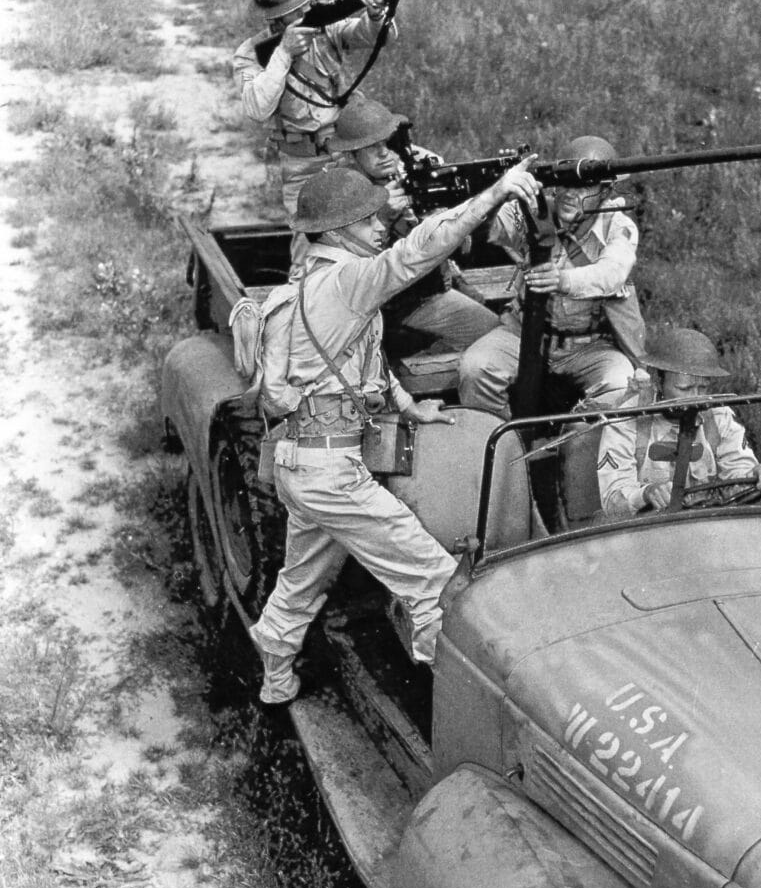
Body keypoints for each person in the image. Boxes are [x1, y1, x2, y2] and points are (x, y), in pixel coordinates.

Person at [248, 158, 540, 704]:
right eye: (366, 220)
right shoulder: (348, 282)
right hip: (333, 473)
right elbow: (420, 250)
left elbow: (363, 364)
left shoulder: (304, 283)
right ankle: (461, 708)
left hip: (300, 464)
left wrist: (408, 409)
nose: (380, 225)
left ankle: (275, 680)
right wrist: (493, 195)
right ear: (336, 231)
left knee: (300, 583)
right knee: (438, 583)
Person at [457, 134, 647, 417]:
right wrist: (497, 196)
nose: (570, 194)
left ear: (606, 191)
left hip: (590, 345)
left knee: (621, 387)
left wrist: (563, 281)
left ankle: (577, 443)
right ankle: (503, 445)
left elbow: (613, 273)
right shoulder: (533, 209)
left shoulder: (618, 226)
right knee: (475, 369)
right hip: (522, 332)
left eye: (584, 186)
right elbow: (488, 230)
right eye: (565, 184)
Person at [324, 100, 499, 349]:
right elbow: (352, 275)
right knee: (496, 337)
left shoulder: (406, 168)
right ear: (352, 153)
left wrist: (442, 219)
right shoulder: (340, 195)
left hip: (429, 285)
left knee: (496, 324)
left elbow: (461, 246)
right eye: (371, 147)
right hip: (395, 303)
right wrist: (383, 219)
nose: (384, 153)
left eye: (387, 143)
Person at [231, 0, 398, 222]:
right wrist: (284, 53)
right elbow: (256, 108)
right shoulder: (251, 53)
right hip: (302, 164)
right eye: (298, 9)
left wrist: (375, 17)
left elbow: (369, 36)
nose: (310, 9)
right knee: (310, 240)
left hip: (348, 149)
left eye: (309, 2)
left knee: (372, 222)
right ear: (277, 18)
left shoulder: (326, 29)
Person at [597, 328, 761, 518]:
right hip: (643, 532)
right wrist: (647, 493)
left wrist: (757, 474)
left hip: (704, 526)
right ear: (659, 382)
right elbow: (613, 501)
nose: (695, 398)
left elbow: (737, 473)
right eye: (684, 388)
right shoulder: (626, 420)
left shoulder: (718, 416)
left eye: (702, 388)